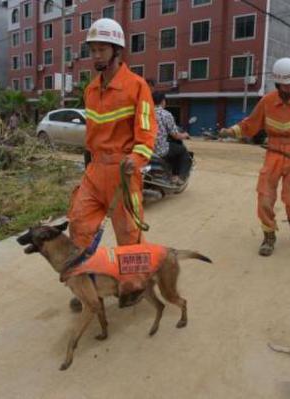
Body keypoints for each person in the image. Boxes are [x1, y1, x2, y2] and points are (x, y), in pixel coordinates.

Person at [67, 18, 157, 310]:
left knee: (128, 234)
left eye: (102, 49)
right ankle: (86, 284)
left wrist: (136, 158)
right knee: (79, 223)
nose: (95, 56)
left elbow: (146, 130)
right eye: (92, 50)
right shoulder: (91, 89)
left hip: (123, 170)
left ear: (117, 51)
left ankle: (133, 286)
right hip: (95, 170)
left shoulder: (137, 86)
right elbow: (93, 132)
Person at [220, 57, 290, 257]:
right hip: (274, 150)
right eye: (284, 84)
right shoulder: (267, 101)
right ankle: (269, 235)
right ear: (278, 83)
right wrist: (231, 131)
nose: (288, 87)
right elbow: (250, 124)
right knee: (265, 196)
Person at [152, 91, 192, 185]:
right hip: (159, 149)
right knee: (182, 151)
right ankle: (178, 178)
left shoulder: (144, 112)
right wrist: (185, 135)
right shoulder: (166, 114)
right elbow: (175, 135)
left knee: (173, 148)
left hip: (146, 148)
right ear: (163, 101)